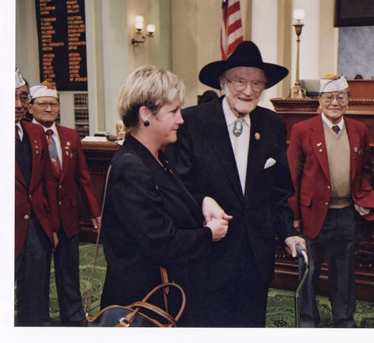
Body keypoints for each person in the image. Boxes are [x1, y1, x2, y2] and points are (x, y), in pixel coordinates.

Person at [166, 40, 306, 327]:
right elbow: (175, 185)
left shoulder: (272, 125)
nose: (249, 90)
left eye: (257, 84)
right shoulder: (192, 122)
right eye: (240, 81)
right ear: (223, 83)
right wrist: (201, 201)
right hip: (207, 256)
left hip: (255, 257)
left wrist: (288, 232)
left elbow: (278, 192)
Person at [99, 65, 231, 327]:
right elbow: (159, 241)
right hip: (143, 304)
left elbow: (168, 202)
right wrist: (208, 234)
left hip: (164, 297)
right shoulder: (131, 167)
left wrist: (202, 201)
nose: (181, 119)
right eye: (173, 111)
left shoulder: (155, 158)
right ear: (146, 115)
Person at [287, 75, 374, 328]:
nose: (335, 102)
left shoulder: (359, 129)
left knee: (344, 273)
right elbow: (292, 176)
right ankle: (307, 322)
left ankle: (344, 320)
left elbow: (366, 169)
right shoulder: (302, 130)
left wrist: (360, 195)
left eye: (341, 97)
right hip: (311, 215)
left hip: (345, 214)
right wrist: (294, 215)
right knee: (309, 271)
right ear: (319, 100)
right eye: (329, 97)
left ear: (348, 100)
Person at [28, 83, 101, 326]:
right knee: (38, 274)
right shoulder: (25, 136)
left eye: (53, 103)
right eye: (42, 104)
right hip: (39, 218)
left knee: (69, 270)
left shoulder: (70, 136)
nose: (49, 108)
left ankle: (74, 317)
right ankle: (39, 322)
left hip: (68, 216)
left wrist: (93, 212)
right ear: (30, 107)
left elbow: (83, 178)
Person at [15, 69, 59, 326]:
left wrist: (51, 226)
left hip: (35, 224)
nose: (18, 105)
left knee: (34, 283)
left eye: (23, 98)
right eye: (12, 98)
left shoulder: (35, 133)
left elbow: (46, 184)